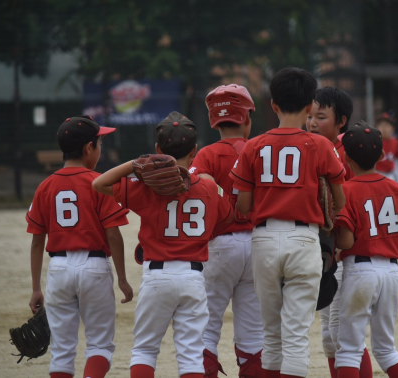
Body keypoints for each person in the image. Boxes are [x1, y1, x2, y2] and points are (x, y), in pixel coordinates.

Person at [92, 111, 234, 378]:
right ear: (195, 150)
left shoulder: (146, 187)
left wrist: (136, 164)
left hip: (157, 275)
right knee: (191, 354)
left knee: (145, 350)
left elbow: (99, 183)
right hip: (193, 276)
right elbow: (226, 220)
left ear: (157, 149)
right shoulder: (207, 187)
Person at [231, 67, 346, 378]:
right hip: (304, 239)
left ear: (273, 105)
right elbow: (340, 199)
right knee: (295, 337)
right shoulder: (321, 145)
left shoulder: (253, 145)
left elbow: (242, 205)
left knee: (271, 335)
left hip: (264, 238)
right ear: (311, 106)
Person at [26, 116, 133, 378]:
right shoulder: (98, 183)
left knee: (62, 350)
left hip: (58, 269)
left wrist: (36, 288)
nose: (100, 150)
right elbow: (113, 234)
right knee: (100, 345)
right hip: (94, 267)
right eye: (99, 144)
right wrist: (122, 278)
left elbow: (37, 240)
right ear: (88, 148)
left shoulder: (45, 186)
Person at [189, 84, 264, 378]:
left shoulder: (206, 155)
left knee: (206, 331)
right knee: (253, 337)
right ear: (246, 118)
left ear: (213, 121)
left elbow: (193, 192)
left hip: (219, 247)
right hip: (258, 244)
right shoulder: (258, 149)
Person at [334, 122, 398, 378]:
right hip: (392, 273)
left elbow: (346, 242)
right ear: (382, 156)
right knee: (387, 350)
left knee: (348, 349)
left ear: (345, 158)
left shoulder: (346, 190)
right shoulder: (396, 188)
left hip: (360, 271)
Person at [306, 87, 372, 378]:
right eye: (309, 116)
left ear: (341, 121)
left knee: (344, 335)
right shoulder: (306, 146)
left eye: (320, 117)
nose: (311, 122)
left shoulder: (350, 149)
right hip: (323, 252)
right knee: (329, 338)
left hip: (346, 252)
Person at [375, 113, 398, 181]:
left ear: (392, 128)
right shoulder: (374, 141)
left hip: (390, 174)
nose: (384, 128)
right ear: (377, 128)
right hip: (377, 173)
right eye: (382, 125)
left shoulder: (396, 142)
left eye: (387, 126)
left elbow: (396, 158)